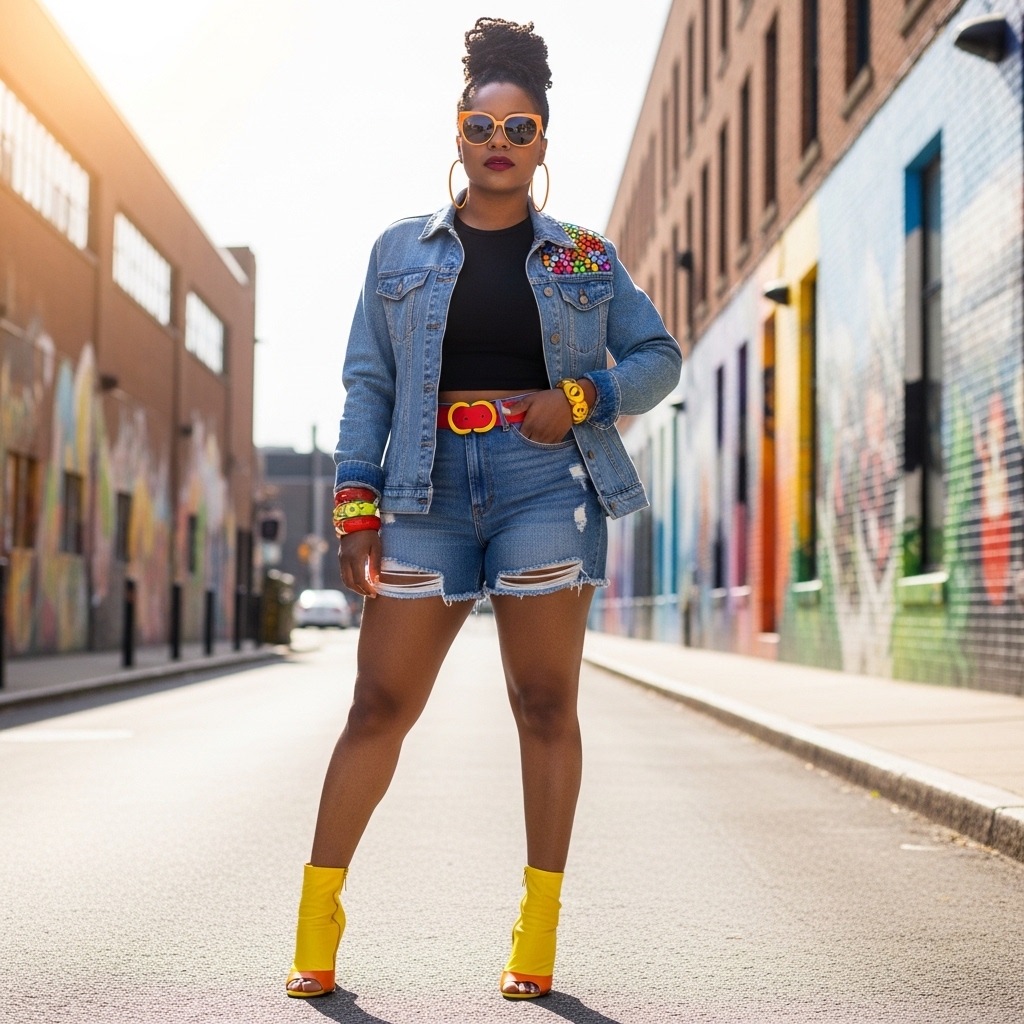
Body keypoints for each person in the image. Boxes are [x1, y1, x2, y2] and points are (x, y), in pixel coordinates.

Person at [285, 17, 681, 1001]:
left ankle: (536, 926)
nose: (498, 145)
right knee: (378, 705)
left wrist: (582, 397)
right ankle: (316, 916)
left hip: (545, 482)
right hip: (421, 492)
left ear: (543, 142)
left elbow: (657, 357)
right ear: (456, 133)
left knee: (543, 704)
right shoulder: (397, 252)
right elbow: (367, 385)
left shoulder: (585, 256)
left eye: (520, 129)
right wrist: (356, 508)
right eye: (480, 127)